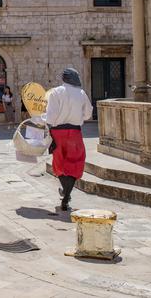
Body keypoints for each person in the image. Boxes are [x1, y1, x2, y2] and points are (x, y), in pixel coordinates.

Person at [46, 68, 93, 211]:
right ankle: (66, 196)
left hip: (57, 132)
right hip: (74, 132)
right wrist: (78, 118)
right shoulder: (81, 93)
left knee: (59, 162)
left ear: (64, 78)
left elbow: (50, 116)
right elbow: (88, 114)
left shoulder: (55, 92)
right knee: (75, 161)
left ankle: (66, 193)